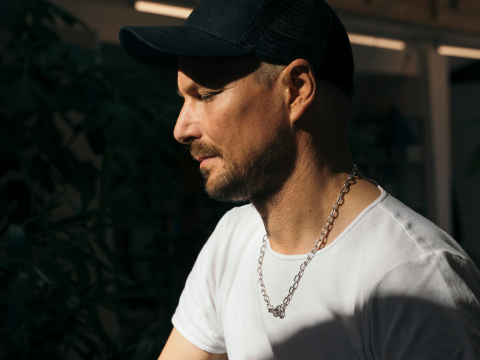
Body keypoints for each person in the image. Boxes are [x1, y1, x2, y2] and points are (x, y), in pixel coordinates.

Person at [120, 0, 480, 359]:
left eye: (207, 95)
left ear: (295, 89)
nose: (181, 129)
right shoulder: (232, 240)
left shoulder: (412, 278)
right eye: (184, 99)